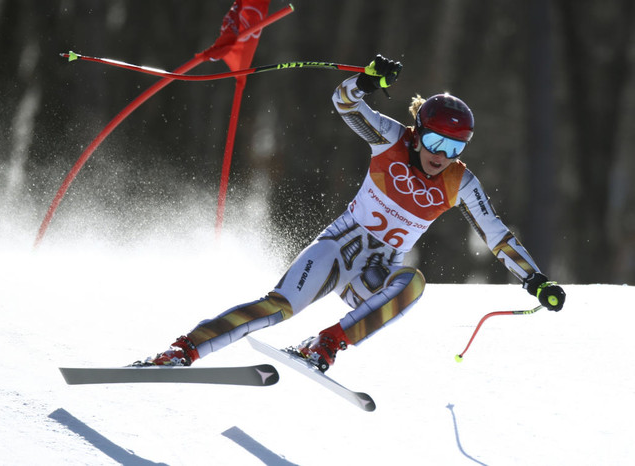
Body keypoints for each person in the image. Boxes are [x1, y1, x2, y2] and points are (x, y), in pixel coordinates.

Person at [139, 55, 566, 372]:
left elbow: (498, 236)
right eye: (437, 143)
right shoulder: (392, 139)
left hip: (373, 275)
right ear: (419, 133)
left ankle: (325, 345)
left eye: (456, 148)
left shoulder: (460, 182)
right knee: (279, 308)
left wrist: (535, 278)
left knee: (413, 283)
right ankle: (182, 350)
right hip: (336, 249)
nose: (442, 156)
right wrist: (364, 81)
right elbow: (344, 103)